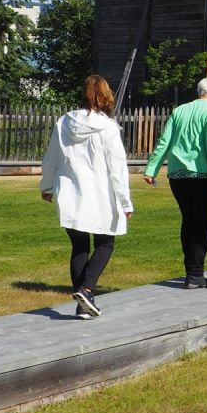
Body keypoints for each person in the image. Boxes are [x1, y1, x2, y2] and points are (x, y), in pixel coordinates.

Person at [40, 74, 134, 319]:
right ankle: (87, 289)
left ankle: (83, 304)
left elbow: (51, 158)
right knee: (105, 243)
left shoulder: (64, 123)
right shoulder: (108, 128)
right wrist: (125, 202)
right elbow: (117, 169)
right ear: (105, 95)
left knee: (79, 245)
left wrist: (46, 185)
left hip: (70, 193)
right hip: (100, 195)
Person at [143, 75, 207, 289]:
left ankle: (192, 271)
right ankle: (195, 274)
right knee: (202, 224)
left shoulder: (180, 110)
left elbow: (164, 141)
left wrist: (151, 169)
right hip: (203, 175)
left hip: (177, 175)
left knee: (188, 221)